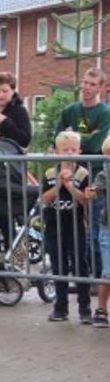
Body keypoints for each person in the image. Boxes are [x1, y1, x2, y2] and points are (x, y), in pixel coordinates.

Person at [53, 68, 110, 284]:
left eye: (93, 84)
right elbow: (57, 138)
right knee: (72, 230)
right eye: (85, 82)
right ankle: (79, 275)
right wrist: (79, 142)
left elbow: (98, 146)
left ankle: (98, 278)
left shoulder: (105, 113)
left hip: (95, 178)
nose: (87, 87)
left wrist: (74, 141)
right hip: (70, 175)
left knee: (94, 230)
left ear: (101, 88)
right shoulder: (70, 110)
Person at [43, 131, 92, 323]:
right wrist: (58, 184)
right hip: (54, 227)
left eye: (73, 149)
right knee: (59, 266)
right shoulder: (49, 173)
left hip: (77, 226)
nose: (69, 153)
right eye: (65, 149)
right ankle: (60, 307)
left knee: (80, 266)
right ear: (56, 152)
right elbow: (44, 199)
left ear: (79, 151)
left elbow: (84, 200)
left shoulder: (83, 172)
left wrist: (69, 184)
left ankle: (85, 308)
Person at [84, 135, 110, 328]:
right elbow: (96, 187)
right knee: (108, 272)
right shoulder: (105, 174)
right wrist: (91, 191)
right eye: (107, 158)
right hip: (107, 229)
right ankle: (101, 309)